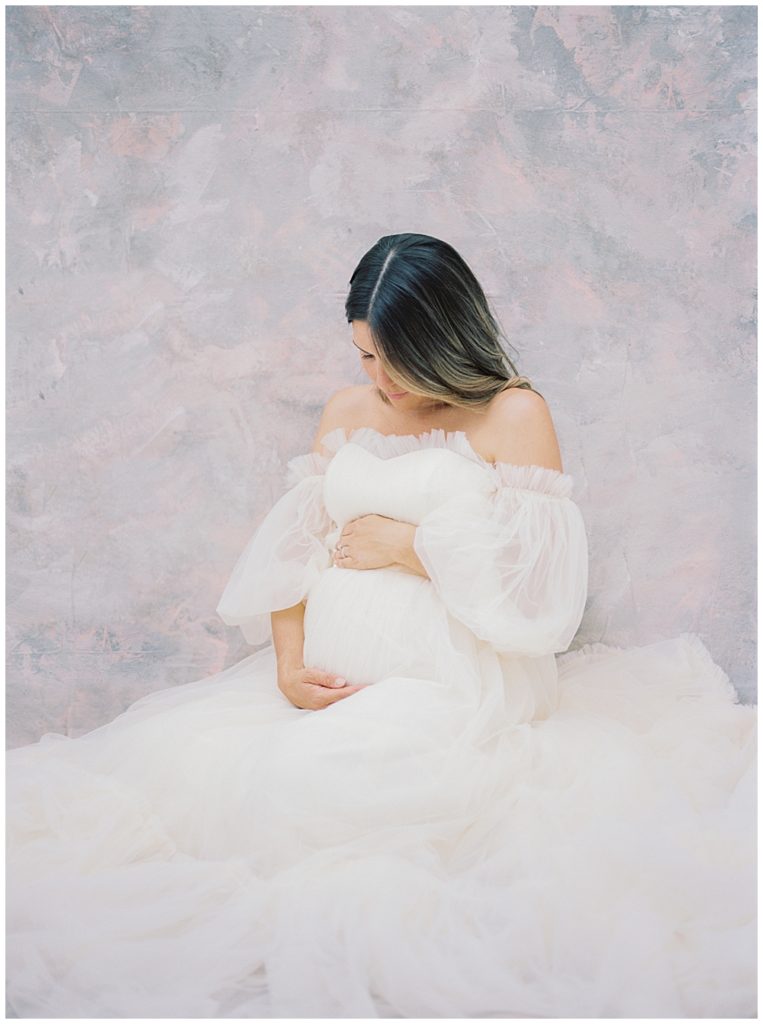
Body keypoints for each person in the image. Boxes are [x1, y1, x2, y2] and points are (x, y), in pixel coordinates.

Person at [6, 233, 756, 1019]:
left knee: (324, 800)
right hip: (329, 683)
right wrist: (288, 670)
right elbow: (291, 556)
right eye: (366, 356)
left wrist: (411, 546)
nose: (381, 378)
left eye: (397, 355)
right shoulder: (347, 411)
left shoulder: (512, 414)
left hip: (454, 686)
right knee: (173, 799)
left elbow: (541, 599)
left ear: (446, 336)